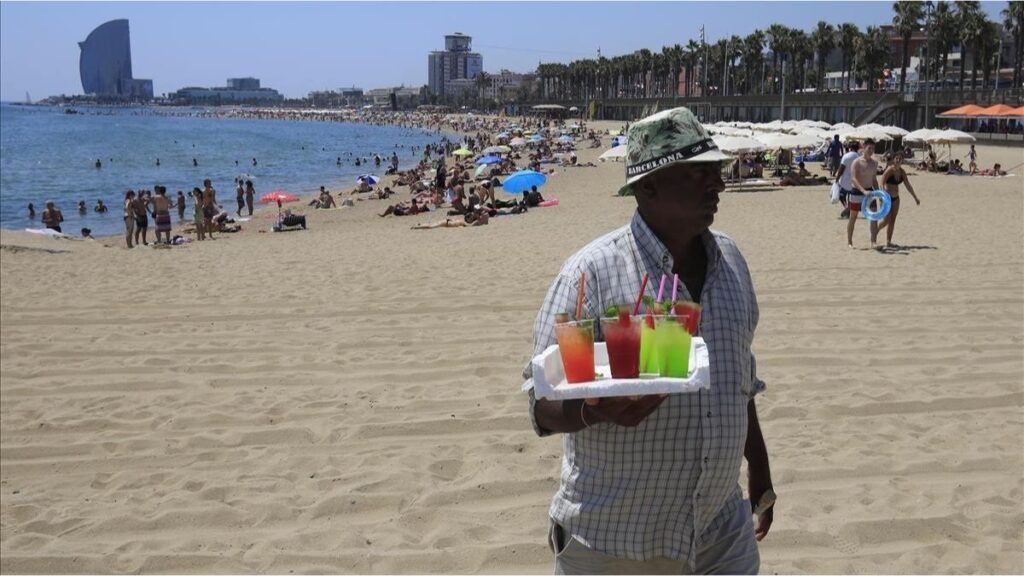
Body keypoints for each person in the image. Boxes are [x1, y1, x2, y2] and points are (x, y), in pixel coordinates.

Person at [526, 108, 773, 575]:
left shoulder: (732, 262)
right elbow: (542, 402)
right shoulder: (591, 276)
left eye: (715, 172)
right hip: (617, 539)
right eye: (698, 174)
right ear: (649, 187)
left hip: (719, 527)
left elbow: (741, 378)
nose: (716, 185)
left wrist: (759, 470)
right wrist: (595, 409)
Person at [874, 153, 920, 248]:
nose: (898, 160)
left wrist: (915, 197)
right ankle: (874, 234)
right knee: (886, 220)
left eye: (900, 159)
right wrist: (882, 195)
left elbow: (908, 185)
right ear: (894, 160)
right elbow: (881, 182)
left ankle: (888, 241)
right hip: (887, 198)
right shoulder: (889, 170)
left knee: (893, 220)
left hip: (896, 199)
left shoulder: (902, 172)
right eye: (896, 158)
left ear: (902, 160)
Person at [848, 138, 880, 249]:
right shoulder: (856, 162)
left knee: (874, 217)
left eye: (873, 149)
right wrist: (863, 191)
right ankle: (850, 242)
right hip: (857, 192)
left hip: (870, 192)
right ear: (864, 147)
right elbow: (854, 179)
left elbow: (874, 179)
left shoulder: (875, 163)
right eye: (869, 148)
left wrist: (878, 193)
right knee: (853, 217)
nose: (871, 151)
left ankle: (873, 242)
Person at [834, 142, 861, 220]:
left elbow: (841, 168)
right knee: (851, 197)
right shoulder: (859, 157)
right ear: (858, 148)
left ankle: (847, 207)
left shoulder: (846, 156)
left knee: (841, 196)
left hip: (845, 180)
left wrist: (837, 178)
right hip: (856, 180)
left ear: (850, 148)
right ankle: (848, 210)